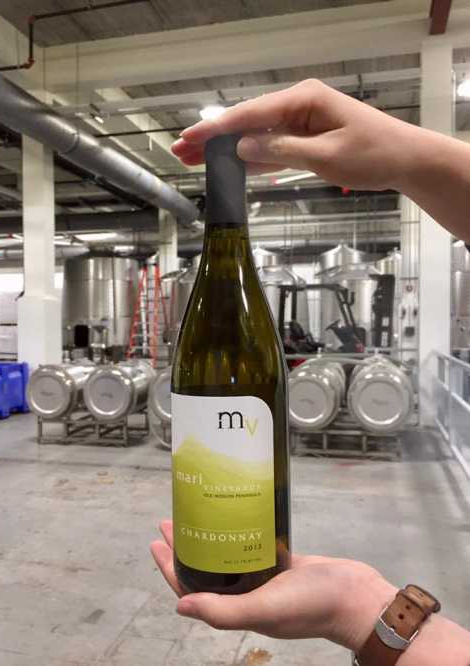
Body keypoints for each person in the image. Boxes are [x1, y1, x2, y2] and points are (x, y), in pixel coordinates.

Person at [151, 80, 470, 665]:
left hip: (262, 551)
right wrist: (359, 610)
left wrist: (414, 159)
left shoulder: (246, 283)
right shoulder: (212, 278)